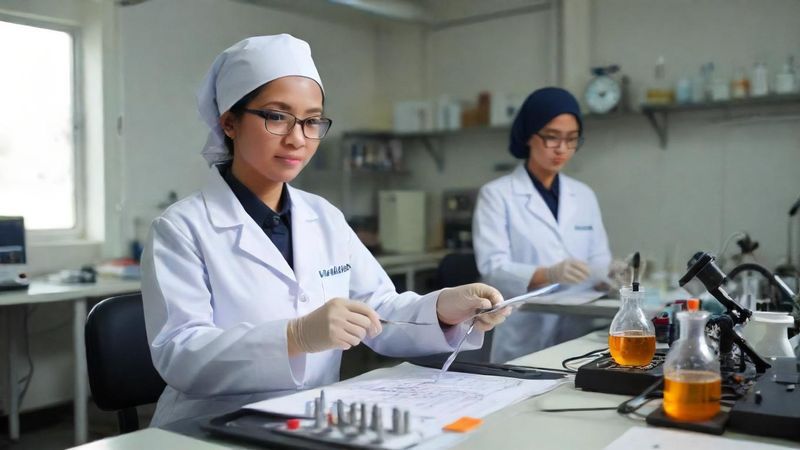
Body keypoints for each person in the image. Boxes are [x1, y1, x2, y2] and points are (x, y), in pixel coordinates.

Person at [140, 34, 510, 426]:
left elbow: (379, 311)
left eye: (312, 120)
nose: (298, 138)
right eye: (276, 116)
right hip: (207, 429)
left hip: (310, 422)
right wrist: (294, 337)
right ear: (229, 122)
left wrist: (443, 309)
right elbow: (180, 354)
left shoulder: (324, 217)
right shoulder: (181, 228)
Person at [472, 87, 611, 363]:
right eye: (551, 138)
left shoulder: (583, 195)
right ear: (528, 135)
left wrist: (613, 274)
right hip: (524, 332)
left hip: (578, 332)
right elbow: (493, 269)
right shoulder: (497, 194)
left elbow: (598, 261)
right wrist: (549, 273)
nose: (561, 149)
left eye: (571, 140)